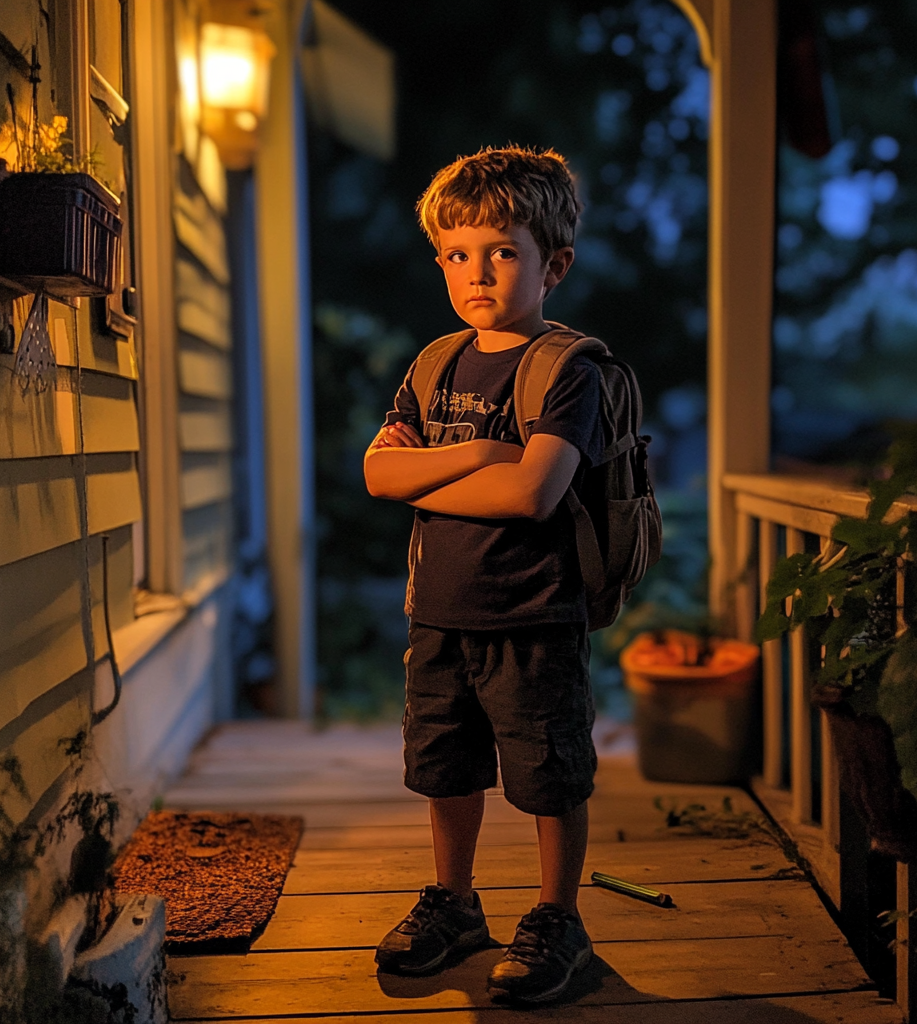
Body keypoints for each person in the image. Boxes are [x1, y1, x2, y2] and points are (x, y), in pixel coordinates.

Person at [363, 145, 603, 1005]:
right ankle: (456, 904)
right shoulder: (434, 364)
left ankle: (556, 917)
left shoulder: (567, 369)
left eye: (503, 251)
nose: (478, 272)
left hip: (533, 612)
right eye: (459, 254)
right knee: (445, 766)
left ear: (553, 264)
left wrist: (440, 469)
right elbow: (377, 475)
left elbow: (536, 492)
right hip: (440, 611)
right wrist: (484, 452)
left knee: (548, 773)